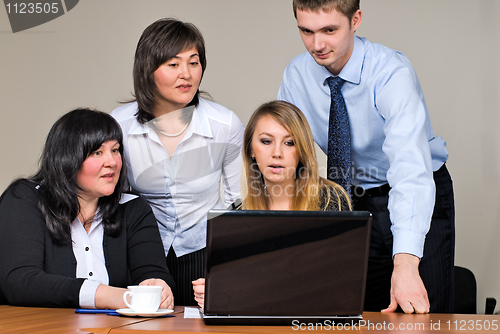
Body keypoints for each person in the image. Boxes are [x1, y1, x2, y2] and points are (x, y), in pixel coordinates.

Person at [277, 0, 455, 314]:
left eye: (329, 30)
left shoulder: (390, 72)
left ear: (355, 19)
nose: (317, 45)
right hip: (352, 199)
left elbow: (410, 167)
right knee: (363, 313)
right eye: (306, 31)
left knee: (422, 312)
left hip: (414, 190)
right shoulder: (297, 74)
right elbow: (287, 158)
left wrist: (405, 265)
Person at [111, 18, 244, 306]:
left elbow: (239, 202)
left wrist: (231, 269)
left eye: (193, 62)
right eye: (173, 64)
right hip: (140, 252)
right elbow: (110, 199)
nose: (186, 74)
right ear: (148, 69)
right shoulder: (119, 126)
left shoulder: (224, 124)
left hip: (203, 250)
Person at [0, 109, 175, 309]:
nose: (111, 162)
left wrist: (158, 287)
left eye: (115, 150)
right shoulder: (25, 198)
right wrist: (107, 295)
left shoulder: (133, 207)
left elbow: (153, 273)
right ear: (67, 159)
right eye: (97, 152)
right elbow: (19, 281)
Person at [192, 100, 351, 307]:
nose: (277, 153)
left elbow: (337, 286)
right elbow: (241, 287)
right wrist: (217, 292)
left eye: (290, 142)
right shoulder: (238, 215)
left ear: (302, 151)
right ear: (250, 150)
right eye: (266, 141)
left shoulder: (331, 201)